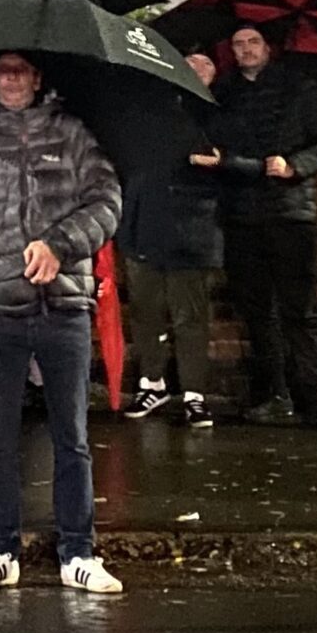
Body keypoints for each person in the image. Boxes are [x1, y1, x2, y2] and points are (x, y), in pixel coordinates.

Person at [0, 51, 124, 596]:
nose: (10, 78)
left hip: (65, 308)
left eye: (20, 70)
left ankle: (79, 553)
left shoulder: (73, 135)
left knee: (73, 439)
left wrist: (61, 245)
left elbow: (107, 201)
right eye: (1, 71)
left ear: (38, 79)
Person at [206, 24, 317, 432]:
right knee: (256, 313)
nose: (246, 49)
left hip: (290, 214)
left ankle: (315, 399)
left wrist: (295, 166)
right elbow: (212, 150)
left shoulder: (300, 88)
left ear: (268, 47)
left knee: (299, 311)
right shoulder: (222, 94)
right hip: (240, 215)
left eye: (253, 42)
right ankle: (273, 395)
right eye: (237, 43)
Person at [119, 51, 223, 428]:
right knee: (146, 311)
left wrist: (217, 161)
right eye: (187, 64)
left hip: (191, 228)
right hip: (143, 221)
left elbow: (233, 160)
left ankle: (195, 394)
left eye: (204, 65)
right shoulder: (147, 109)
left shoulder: (217, 114)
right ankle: (153, 383)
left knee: (189, 316)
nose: (194, 71)